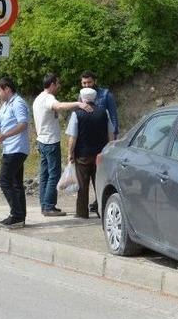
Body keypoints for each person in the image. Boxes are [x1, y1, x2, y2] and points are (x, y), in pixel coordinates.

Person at [32, 74, 93, 217]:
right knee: (54, 174)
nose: (59, 86)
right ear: (52, 84)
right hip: (50, 141)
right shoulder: (48, 98)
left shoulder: (38, 98)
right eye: (57, 84)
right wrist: (78, 104)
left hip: (42, 141)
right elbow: (59, 106)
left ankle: (44, 204)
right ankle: (49, 206)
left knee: (45, 174)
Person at [0, 77, 29, 228]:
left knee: (4, 181)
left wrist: (5, 135)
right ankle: (20, 217)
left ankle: (16, 215)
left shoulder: (18, 103)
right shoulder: (5, 105)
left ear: (7, 89)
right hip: (10, 148)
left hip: (17, 148)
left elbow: (23, 124)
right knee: (16, 184)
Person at [66, 88, 113, 218]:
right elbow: (110, 134)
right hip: (100, 154)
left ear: (82, 98)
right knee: (100, 184)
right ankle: (102, 211)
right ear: (95, 98)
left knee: (82, 185)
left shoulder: (77, 114)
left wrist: (70, 153)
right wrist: (110, 150)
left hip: (82, 155)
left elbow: (73, 137)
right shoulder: (104, 112)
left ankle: (82, 213)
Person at [80, 70, 119, 213]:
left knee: (101, 172)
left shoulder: (106, 95)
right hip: (86, 141)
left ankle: (101, 201)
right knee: (88, 175)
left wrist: (113, 138)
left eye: (89, 82)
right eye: (84, 83)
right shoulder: (81, 95)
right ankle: (96, 202)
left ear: (94, 81)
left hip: (103, 141)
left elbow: (113, 117)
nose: (86, 85)